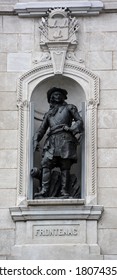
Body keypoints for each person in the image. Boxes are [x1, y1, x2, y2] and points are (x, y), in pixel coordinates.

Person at [35, 87, 84, 198]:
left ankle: (64, 191)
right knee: (46, 163)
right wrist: (35, 139)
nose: (57, 96)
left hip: (65, 139)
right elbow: (42, 129)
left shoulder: (70, 108)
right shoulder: (48, 114)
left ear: (63, 97)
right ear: (51, 98)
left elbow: (79, 121)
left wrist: (72, 129)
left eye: (59, 94)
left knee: (65, 166)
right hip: (51, 141)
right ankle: (44, 190)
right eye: (54, 94)